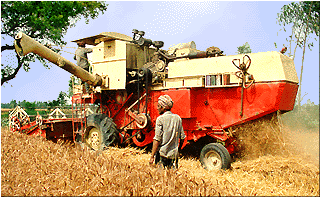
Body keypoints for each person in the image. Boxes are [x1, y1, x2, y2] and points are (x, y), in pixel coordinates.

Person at [149, 95, 186, 169]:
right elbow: (182, 137)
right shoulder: (178, 118)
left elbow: (157, 139)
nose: (157, 108)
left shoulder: (160, 119)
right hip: (174, 155)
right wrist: (179, 149)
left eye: (158, 106)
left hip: (162, 154)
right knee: (173, 177)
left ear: (163, 108)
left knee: (161, 178)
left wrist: (152, 156)